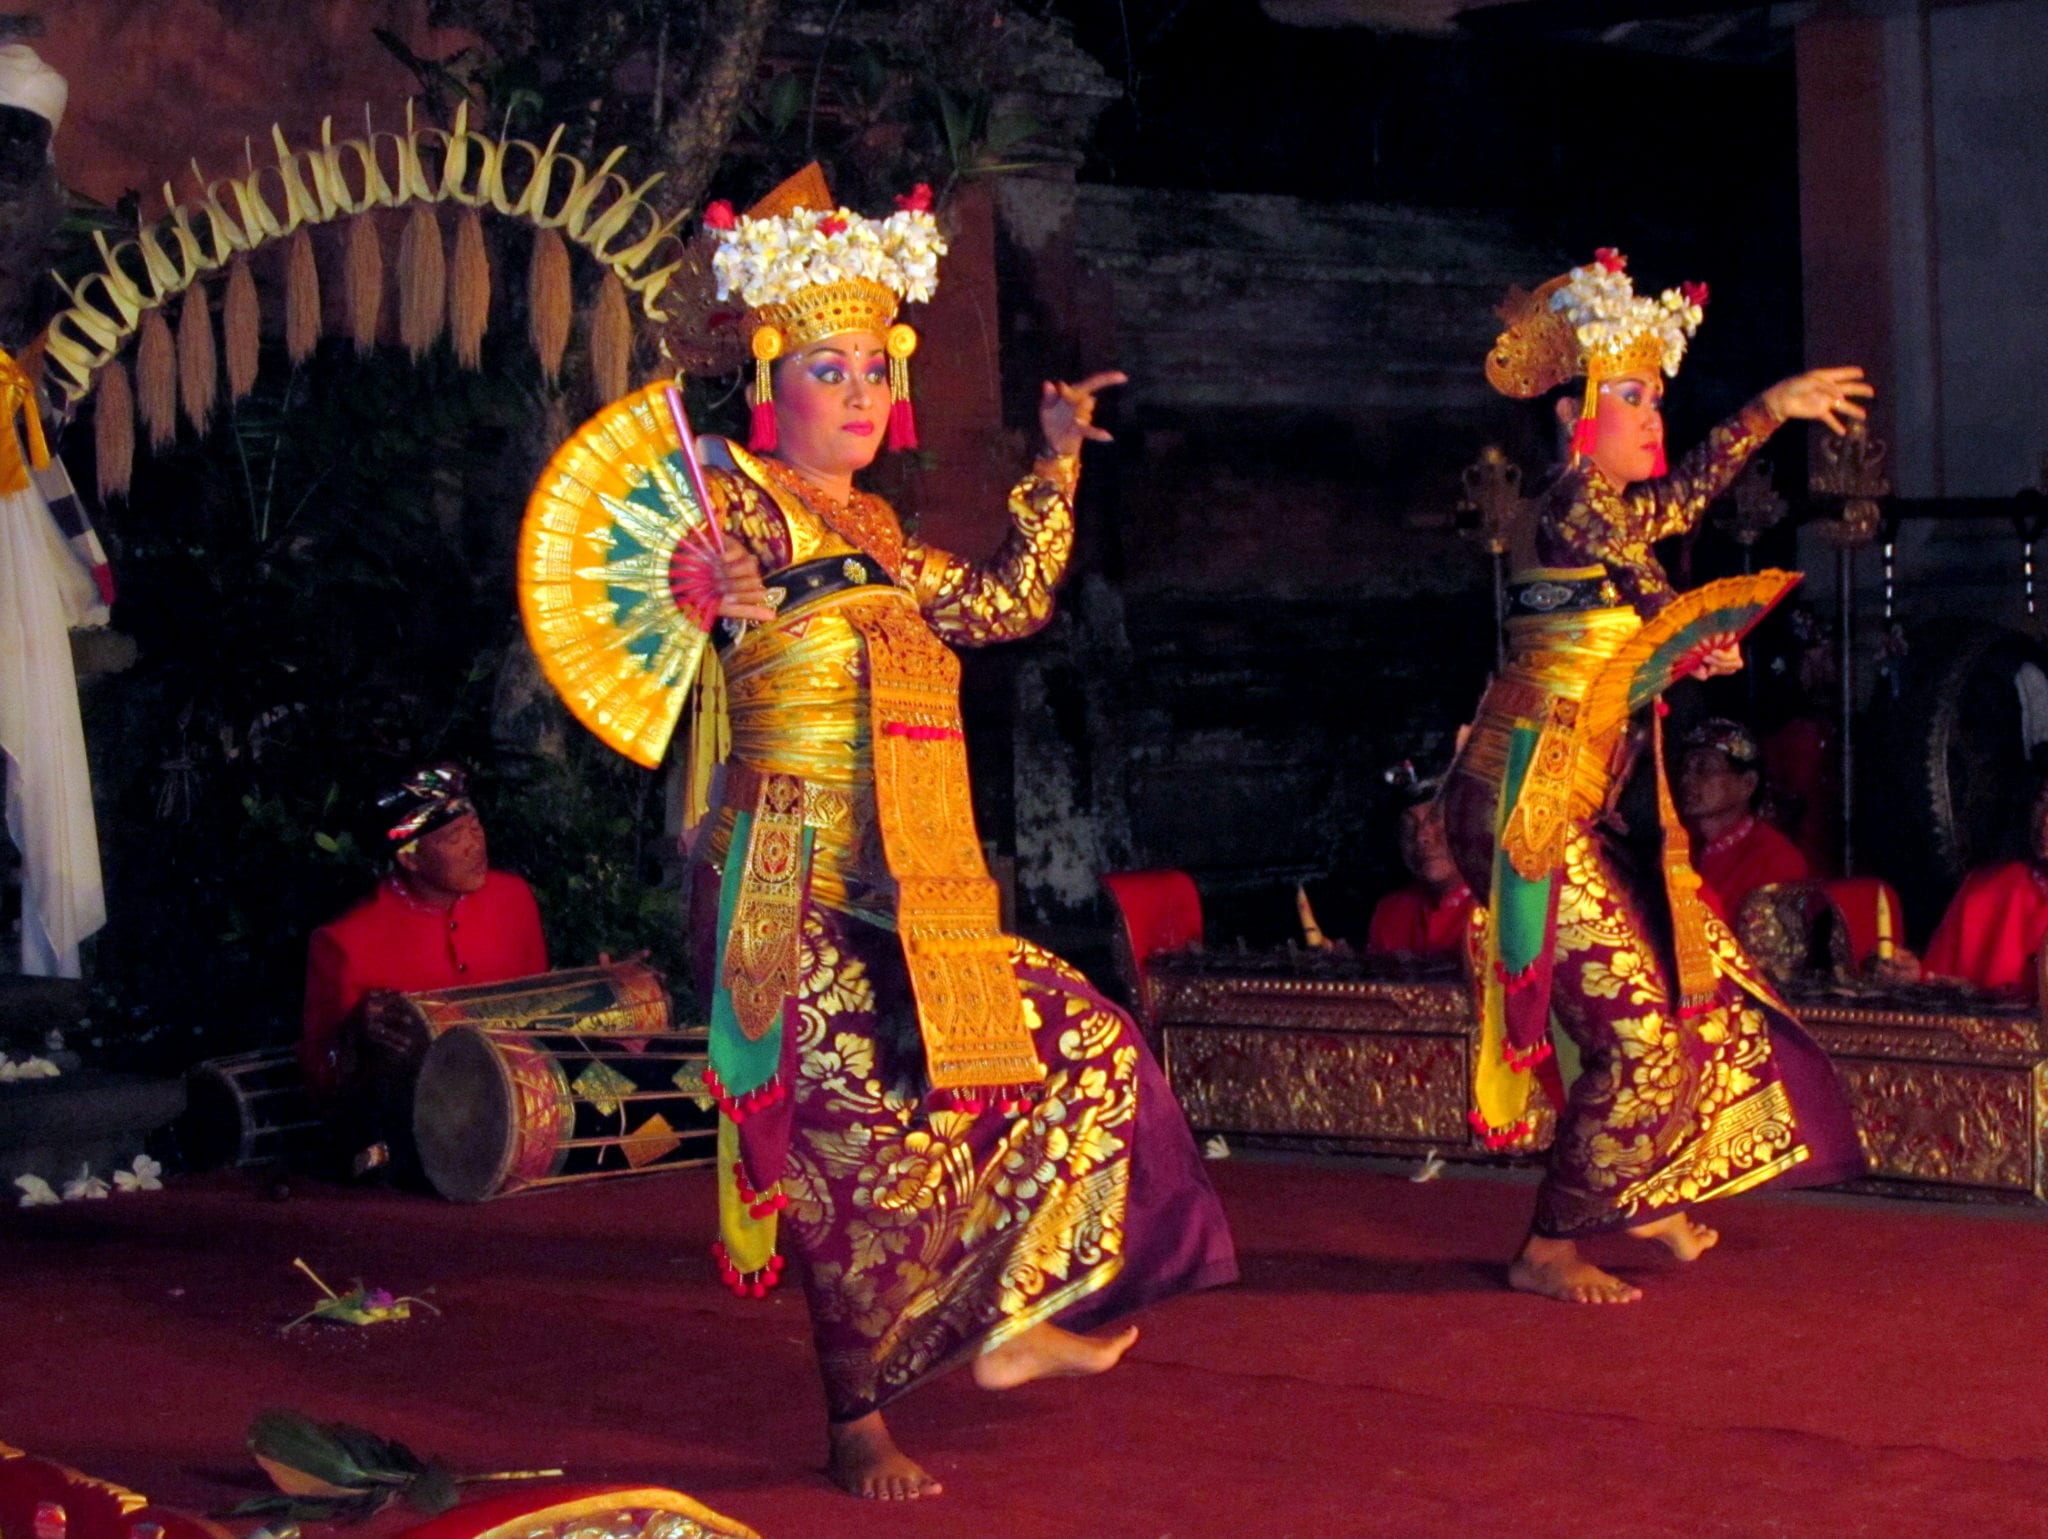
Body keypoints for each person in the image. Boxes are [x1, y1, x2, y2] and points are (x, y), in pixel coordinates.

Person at [686, 167, 1236, 1500]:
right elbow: (662, 574)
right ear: (775, 374)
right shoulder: (730, 489)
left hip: (904, 881)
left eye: (878, 365)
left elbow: (999, 604)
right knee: (852, 1151)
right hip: (778, 876)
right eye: (832, 365)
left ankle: (1015, 1314)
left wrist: (1051, 467)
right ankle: (855, 1419)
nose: (865, 390)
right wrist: (707, 584)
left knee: (1086, 1041)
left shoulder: (876, 528)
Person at [1440, 249, 1867, 1305]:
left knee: (1699, 988)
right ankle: (1546, 1245)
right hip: (1522, 803)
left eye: (1653, 396)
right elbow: (1641, 571)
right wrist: (1680, 639)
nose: (1648, 414)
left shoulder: (1608, 509)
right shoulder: (1570, 507)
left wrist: (1770, 405)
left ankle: (1646, 1191)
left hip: (1587, 799)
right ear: (1575, 416)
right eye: (1627, 397)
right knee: (1633, 1033)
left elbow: (1673, 508)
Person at [299, 763, 547, 1100]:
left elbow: (542, 1012)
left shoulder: (512, 896)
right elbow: (318, 1076)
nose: (474, 846)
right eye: (453, 837)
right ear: (410, 858)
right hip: (417, 1123)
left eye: (475, 827)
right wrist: (354, 1033)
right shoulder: (346, 942)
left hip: (521, 1102)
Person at [1910, 776, 2048, 997]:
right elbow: (1934, 980)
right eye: (2043, 801)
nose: (2045, 820)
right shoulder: (1985, 891)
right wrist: (1915, 977)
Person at [1676, 717, 1811, 920]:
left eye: (1704, 769)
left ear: (1747, 784)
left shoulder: (1775, 860)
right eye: (1686, 768)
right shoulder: (1678, 844)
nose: (1687, 779)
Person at [1366, 774, 1474, 960]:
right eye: (1408, 826)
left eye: (1436, 820)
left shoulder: (1497, 909)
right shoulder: (1391, 913)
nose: (1421, 836)